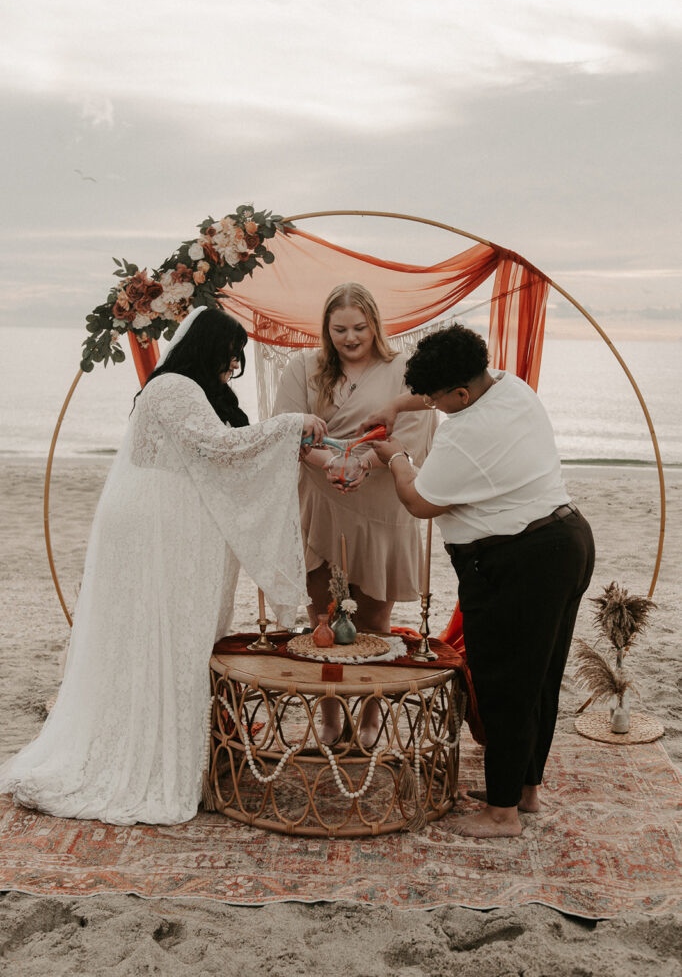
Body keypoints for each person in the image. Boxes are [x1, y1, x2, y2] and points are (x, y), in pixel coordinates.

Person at [0, 307, 327, 825]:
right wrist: (292, 424)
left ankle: (176, 749)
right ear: (208, 347)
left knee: (177, 635)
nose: (234, 363)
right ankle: (149, 758)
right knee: (160, 634)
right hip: (157, 527)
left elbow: (224, 450)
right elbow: (217, 446)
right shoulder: (173, 387)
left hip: (174, 524)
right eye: (230, 353)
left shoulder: (191, 392)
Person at [365, 323, 595, 837]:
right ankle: (524, 791)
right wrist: (399, 407)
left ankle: (502, 814)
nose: (436, 405)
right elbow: (447, 393)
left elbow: (420, 501)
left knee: (504, 683)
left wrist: (397, 457)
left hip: (521, 561)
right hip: (567, 539)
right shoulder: (512, 387)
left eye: (438, 399)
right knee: (540, 675)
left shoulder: (466, 435)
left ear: (461, 395)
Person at [274, 282, 436, 744]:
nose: (350, 337)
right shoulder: (303, 367)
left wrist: (364, 462)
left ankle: (368, 718)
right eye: (340, 329)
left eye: (360, 328)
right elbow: (285, 429)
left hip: (381, 498)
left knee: (374, 623)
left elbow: (416, 427)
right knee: (321, 619)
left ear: (376, 325)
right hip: (321, 497)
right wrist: (331, 465)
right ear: (326, 328)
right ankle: (330, 718)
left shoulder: (403, 369)